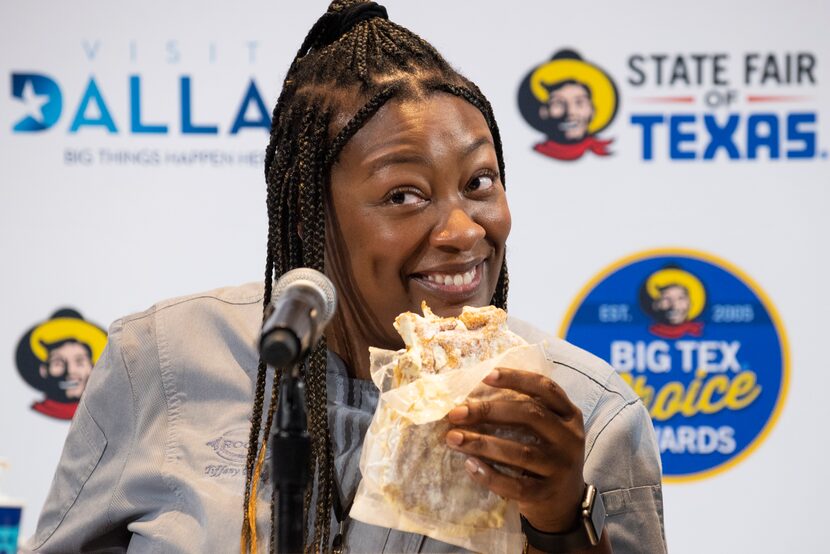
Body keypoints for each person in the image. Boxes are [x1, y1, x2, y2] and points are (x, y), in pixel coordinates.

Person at [25, 1, 666, 552]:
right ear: (311, 216)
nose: (465, 230)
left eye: (479, 183)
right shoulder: (163, 360)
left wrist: (560, 524)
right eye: (404, 195)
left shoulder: (585, 412)